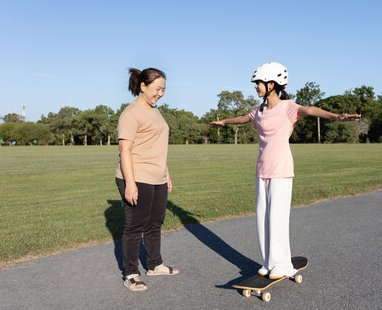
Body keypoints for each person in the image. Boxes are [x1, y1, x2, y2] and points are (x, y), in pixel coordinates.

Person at [211, 62, 361, 279]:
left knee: (278, 218)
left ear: (271, 84)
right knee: (262, 218)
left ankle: (282, 264)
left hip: (281, 169)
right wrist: (224, 122)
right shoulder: (260, 110)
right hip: (262, 170)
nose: (255, 87)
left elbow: (310, 110)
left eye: (258, 83)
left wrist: (337, 116)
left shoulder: (289, 107)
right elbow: (244, 119)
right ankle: (268, 262)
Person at [116, 68, 179, 292]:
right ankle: (131, 273)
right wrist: (130, 183)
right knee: (135, 226)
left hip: (157, 176)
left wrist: (166, 173)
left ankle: (154, 265)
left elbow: (157, 145)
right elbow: (125, 150)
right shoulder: (131, 113)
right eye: (157, 89)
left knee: (155, 223)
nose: (160, 93)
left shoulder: (155, 111)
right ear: (143, 86)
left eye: (163, 90)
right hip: (137, 175)